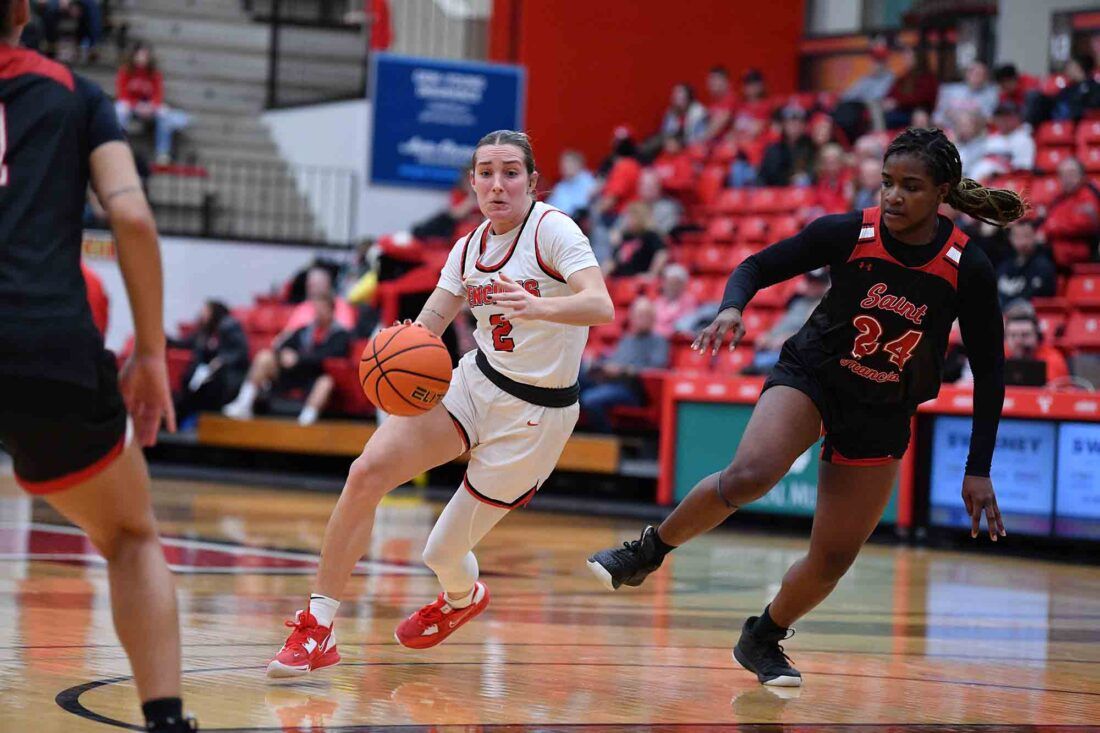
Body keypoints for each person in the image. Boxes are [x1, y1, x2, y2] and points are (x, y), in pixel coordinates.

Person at [587, 128, 1023, 688]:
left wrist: (978, 468)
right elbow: (755, 267)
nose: (892, 196)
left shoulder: (969, 266)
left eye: (910, 187)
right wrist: (731, 308)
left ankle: (762, 636)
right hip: (813, 373)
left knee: (834, 557)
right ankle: (646, 551)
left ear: (942, 192)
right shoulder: (850, 232)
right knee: (750, 475)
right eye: (887, 182)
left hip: (884, 407)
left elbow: (990, 372)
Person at [266, 129, 612, 676]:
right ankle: (318, 628)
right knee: (366, 472)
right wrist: (403, 344)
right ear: (472, 182)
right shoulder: (468, 247)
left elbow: (601, 305)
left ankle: (461, 597)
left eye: (511, 173)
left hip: (536, 416)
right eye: (486, 173)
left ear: (532, 182)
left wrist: (538, 306)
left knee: (440, 553)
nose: (498, 184)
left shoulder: (554, 232)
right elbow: (431, 325)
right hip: (477, 382)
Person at [0, 3, 193, 731]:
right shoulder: (78, 96)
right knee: (130, 537)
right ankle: (166, 719)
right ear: (22, 10)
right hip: (43, 340)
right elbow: (134, 218)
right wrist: (150, 352)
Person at [223, 293, 351, 425]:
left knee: (326, 382)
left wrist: (299, 358)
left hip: (315, 377)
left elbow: (329, 356)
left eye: (322, 308)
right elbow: (283, 346)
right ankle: (244, 403)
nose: (318, 312)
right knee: (265, 357)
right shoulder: (304, 330)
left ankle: (305, 422)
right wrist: (284, 354)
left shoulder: (341, 334)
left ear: (331, 310)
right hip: (292, 374)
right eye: (316, 308)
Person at [579, 297, 669, 432]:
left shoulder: (659, 341)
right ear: (631, 317)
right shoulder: (627, 339)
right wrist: (597, 364)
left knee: (589, 399)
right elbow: (613, 362)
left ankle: (606, 441)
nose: (643, 319)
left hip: (632, 389)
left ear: (653, 318)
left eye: (647, 316)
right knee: (576, 379)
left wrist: (623, 370)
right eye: (639, 315)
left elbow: (656, 368)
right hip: (610, 382)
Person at [171, 300, 249, 424]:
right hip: (203, 377)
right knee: (180, 395)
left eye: (205, 310)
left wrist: (221, 361)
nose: (202, 313)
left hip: (224, 379)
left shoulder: (229, 326)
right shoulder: (204, 331)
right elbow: (187, 343)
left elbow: (239, 352)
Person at [114, 42, 190, 165]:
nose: (143, 58)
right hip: (131, 106)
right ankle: (118, 146)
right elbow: (122, 94)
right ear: (134, 56)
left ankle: (163, 153)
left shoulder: (154, 74)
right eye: (140, 55)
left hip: (149, 107)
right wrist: (136, 105)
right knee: (119, 110)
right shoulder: (125, 71)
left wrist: (151, 106)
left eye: (145, 55)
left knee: (165, 115)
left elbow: (158, 95)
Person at [995, 220, 1056, 306]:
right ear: (1010, 238)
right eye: (1017, 237)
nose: (1022, 242)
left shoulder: (1043, 266)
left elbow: (1035, 296)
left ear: (1035, 236)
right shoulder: (1004, 266)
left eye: (1027, 236)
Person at [1004, 313, 1068, 385]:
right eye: (1013, 335)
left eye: (1025, 335)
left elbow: (1054, 390)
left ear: (1038, 337)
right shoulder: (1001, 356)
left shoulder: (1053, 358)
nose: (1018, 341)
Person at [546, 149, 597, 219]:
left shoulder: (588, 181)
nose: (565, 166)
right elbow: (548, 207)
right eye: (563, 163)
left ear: (578, 164)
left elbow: (583, 205)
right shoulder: (560, 186)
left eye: (569, 163)